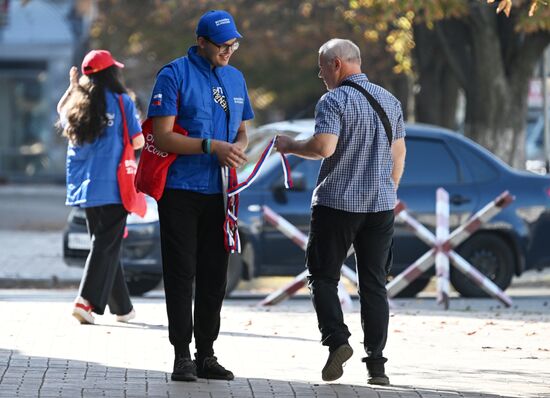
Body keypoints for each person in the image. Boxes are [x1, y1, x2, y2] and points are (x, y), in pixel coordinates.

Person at [275, 38, 406, 386]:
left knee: (322, 276)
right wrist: (387, 190)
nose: (320, 76)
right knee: (375, 284)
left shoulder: (333, 100)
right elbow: (399, 155)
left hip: (337, 204)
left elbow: (323, 147)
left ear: (336, 64)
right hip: (380, 207)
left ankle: (337, 340)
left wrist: (289, 146)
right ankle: (376, 366)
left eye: (321, 68)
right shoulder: (390, 101)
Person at [146, 10, 253, 382]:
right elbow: (161, 136)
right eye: (222, 45)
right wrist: (211, 146)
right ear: (202, 42)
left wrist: (237, 146)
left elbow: (243, 131)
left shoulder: (236, 78)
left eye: (233, 44)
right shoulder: (173, 74)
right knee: (181, 273)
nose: (229, 51)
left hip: (221, 192)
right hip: (180, 190)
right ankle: (181, 356)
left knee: (215, 275)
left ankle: (207, 354)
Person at [57, 50, 145, 325]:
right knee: (105, 244)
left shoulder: (76, 104)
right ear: (111, 73)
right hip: (116, 185)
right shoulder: (122, 102)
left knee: (107, 245)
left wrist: (73, 87)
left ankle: (123, 309)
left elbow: (61, 113)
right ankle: (85, 301)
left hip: (86, 187)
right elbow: (138, 141)